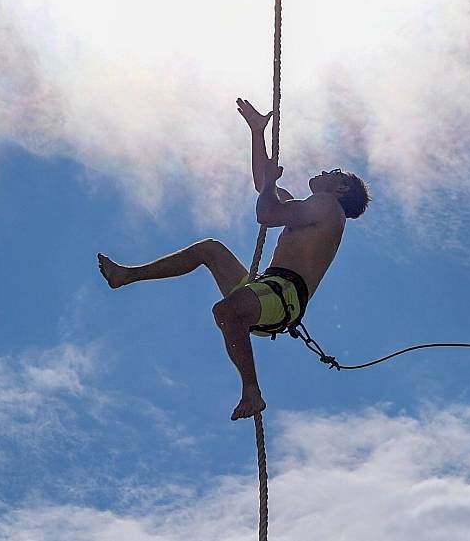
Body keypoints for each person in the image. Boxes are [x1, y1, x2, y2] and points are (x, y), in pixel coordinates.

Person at [97, 98, 371, 420]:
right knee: (209, 250)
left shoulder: (327, 206)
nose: (325, 171)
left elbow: (266, 213)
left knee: (226, 311)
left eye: (333, 172)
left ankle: (251, 391)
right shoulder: (316, 209)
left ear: (340, 187)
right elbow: (263, 189)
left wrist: (271, 183)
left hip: (281, 297)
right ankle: (126, 276)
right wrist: (258, 133)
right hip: (268, 290)